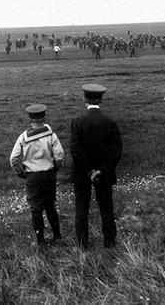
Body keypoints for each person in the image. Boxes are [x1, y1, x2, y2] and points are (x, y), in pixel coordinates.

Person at [70, 85, 123, 249]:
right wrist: (101, 169)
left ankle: (82, 243)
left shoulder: (77, 122)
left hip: (82, 173)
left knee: (81, 208)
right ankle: (109, 241)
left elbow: (75, 150)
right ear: (101, 99)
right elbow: (116, 150)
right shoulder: (109, 122)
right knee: (106, 207)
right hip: (104, 172)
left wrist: (89, 171)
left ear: (84, 99)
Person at [10, 104, 64, 246]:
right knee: (50, 205)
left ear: (30, 119)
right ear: (44, 117)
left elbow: (13, 158)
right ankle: (57, 235)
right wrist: (55, 168)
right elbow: (59, 155)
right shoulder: (51, 134)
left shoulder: (23, 137)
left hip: (32, 175)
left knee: (36, 208)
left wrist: (20, 172)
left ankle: (40, 240)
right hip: (48, 173)